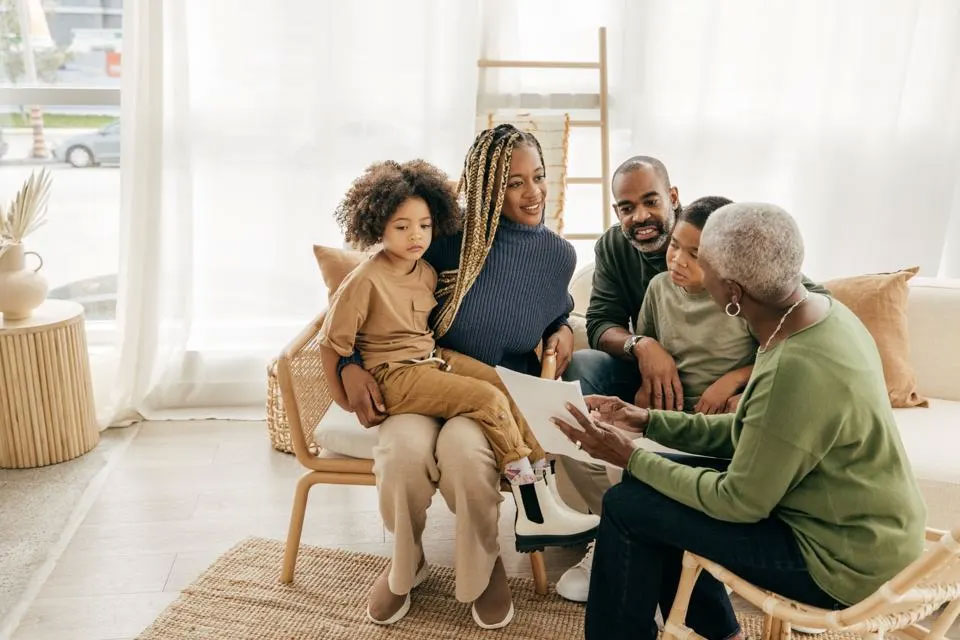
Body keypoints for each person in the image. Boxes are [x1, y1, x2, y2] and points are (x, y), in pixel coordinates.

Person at [551, 202, 927, 640]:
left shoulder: (795, 366)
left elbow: (738, 502)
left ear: (733, 292)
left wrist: (629, 457)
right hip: (861, 526)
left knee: (628, 505)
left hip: (841, 562)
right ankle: (724, 635)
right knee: (647, 491)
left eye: (702, 261)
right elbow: (757, 431)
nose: (692, 269)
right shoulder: (820, 313)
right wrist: (648, 421)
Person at [318, 160, 598, 626]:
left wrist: (562, 327)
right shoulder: (446, 239)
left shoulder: (554, 254)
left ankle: (488, 562)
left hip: (454, 373)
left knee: (470, 451)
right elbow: (350, 325)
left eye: (539, 177)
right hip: (409, 384)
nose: (532, 192)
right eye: (513, 181)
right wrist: (348, 371)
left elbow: (553, 309)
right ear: (489, 185)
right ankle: (405, 567)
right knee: (403, 457)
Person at [555, 157, 827, 602]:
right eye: (625, 207)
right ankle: (617, 529)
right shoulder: (644, 272)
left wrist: (739, 380)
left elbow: (802, 309)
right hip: (665, 383)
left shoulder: (727, 242)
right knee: (581, 374)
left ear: (673, 199)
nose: (639, 216)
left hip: (727, 398)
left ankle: (672, 541)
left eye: (650, 201)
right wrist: (644, 349)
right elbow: (603, 320)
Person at [633, 195, 756, 413]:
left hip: (724, 410)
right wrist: (645, 386)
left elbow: (778, 355)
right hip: (669, 411)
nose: (678, 260)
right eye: (674, 245)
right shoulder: (658, 287)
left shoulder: (744, 295)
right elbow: (647, 350)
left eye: (695, 254)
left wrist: (735, 380)